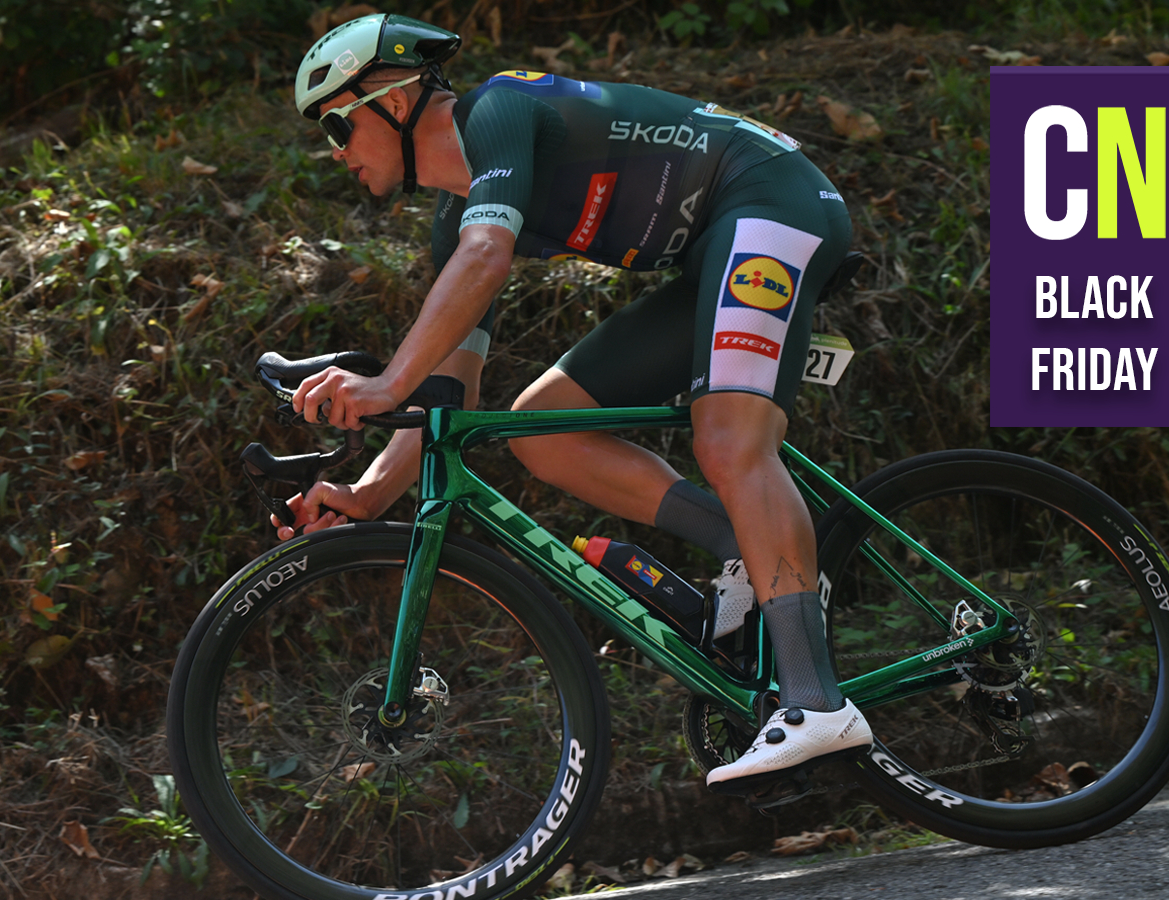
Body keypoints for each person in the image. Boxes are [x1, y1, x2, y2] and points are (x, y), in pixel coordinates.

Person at [279, 13, 871, 795]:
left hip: (773, 200)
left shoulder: (498, 114)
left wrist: (384, 383)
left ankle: (815, 701)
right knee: (538, 432)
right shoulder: (459, 219)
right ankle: (759, 550)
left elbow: (490, 259)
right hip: (712, 252)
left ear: (390, 99)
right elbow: (449, 399)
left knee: (729, 440)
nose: (337, 154)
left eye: (335, 127)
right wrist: (366, 495)